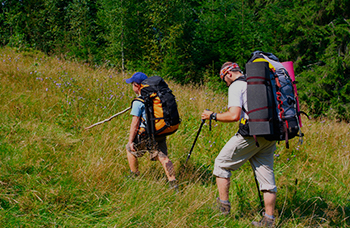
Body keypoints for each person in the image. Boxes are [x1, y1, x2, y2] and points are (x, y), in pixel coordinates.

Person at [201, 62, 277, 227]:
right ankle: (269, 220)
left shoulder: (236, 86)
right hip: (270, 134)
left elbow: (234, 115)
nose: (226, 83)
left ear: (228, 74)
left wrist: (212, 115)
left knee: (221, 164)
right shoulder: (258, 83)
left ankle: (223, 208)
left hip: (251, 135)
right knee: (267, 180)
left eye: (224, 80)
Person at [125, 72, 178, 190]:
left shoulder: (138, 102)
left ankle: (134, 175)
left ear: (137, 85)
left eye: (132, 84)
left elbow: (135, 124)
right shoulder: (155, 97)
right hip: (159, 131)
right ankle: (173, 183)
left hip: (145, 134)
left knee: (129, 149)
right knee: (164, 157)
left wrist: (131, 140)